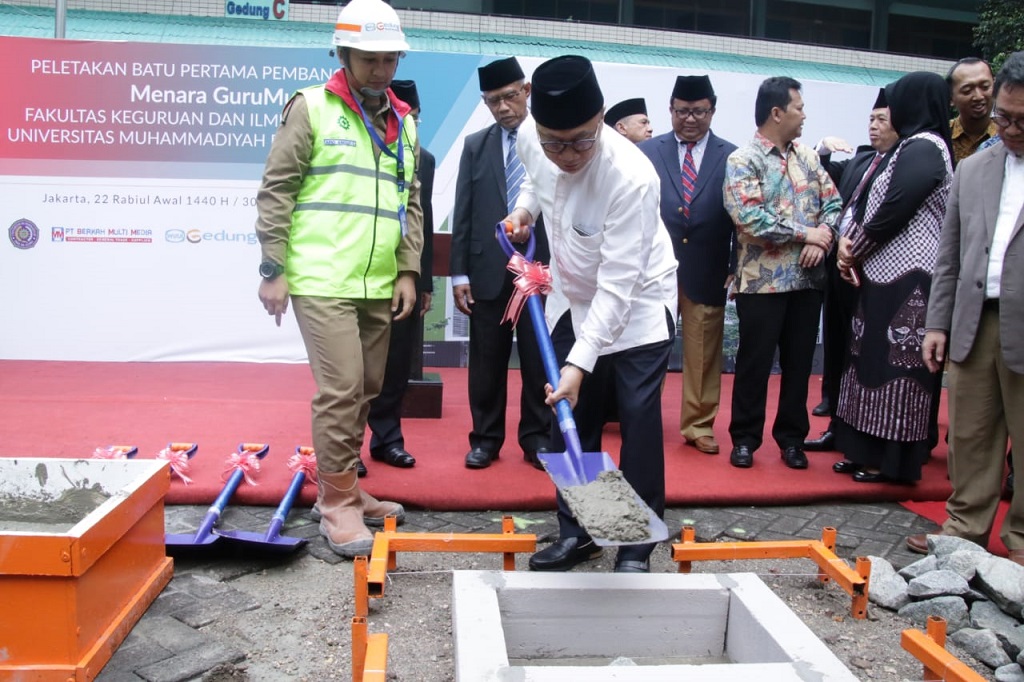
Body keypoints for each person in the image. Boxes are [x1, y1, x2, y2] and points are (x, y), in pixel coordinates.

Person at [254, 0, 418, 559]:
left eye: (388, 59)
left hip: (376, 282)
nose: (380, 69)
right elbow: (277, 190)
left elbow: (409, 204)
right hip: (321, 277)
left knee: (368, 391)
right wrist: (273, 269)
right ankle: (337, 508)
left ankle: (345, 484)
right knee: (342, 389)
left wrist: (407, 269)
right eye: (368, 59)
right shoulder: (313, 108)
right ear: (343, 55)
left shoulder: (404, 121)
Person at [506, 55, 678, 574]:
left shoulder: (631, 177)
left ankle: (634, 546)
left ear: (601, 117)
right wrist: (523, 212)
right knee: (569, 418)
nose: (567, 155)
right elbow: (537, 182)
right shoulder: (534, 142)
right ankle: (581, 531)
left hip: (638, 306)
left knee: (637, 424)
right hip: (572, 298)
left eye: (581, 140)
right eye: (554, 141)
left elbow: (618, 287)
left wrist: (581, 364)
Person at [907, 52, 1024, 566]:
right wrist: (937, 323)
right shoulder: (975, 167)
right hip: (976, 320)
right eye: (1004, 117)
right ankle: (963, 530)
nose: (1010, 128)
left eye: (1022, 120)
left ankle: (1020, 539)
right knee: (971, 433)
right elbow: (949, 255)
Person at [830, 72, 953, 484]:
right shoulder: (909, 147)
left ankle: (891, 460)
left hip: (911, 280)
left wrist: (854, 247)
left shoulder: (926, 148)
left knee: (897, 368)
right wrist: (851, 249)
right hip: (882, 275)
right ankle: (862, 448)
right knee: (868, 363)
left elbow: (893, 209)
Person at [723, 76, 841, 471]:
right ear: (777, 112)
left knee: (799, 364)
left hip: (807, 282)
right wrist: (804, 232)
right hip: (761, 283)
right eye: (799, 107)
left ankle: (792, 440)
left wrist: (821, 237)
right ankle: (744, 439)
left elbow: (834, 204)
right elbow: (748, 218)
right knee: (754, 363)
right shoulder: (743, 160)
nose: (804, 114)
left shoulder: (809, 158)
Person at [449, 56, 552, 471]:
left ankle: (537, 438)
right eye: (493, 101)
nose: (503, 107)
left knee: (537, 359)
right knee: (486, 363)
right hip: (488, 271)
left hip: (539, 271)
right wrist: (459, 273)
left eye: (510, 96)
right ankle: (485, 440)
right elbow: (464, 212)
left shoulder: (551, 140)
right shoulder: (477, 145)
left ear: (526, 91)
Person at [638, 75, 737, 456]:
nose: (690, 119)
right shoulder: (648, 150)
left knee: (703, 351)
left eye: (698, 111)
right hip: (654, 269)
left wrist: (734, 263)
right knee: (649, 347)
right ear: (670, 110)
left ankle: (698, 425)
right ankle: (644, 419)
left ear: (712, 110)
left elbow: (739, 217)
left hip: (707, 267)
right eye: (682, 111)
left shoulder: (732, 155)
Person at [805, 90, 900, 453]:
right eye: (871, 119)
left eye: (882, 120)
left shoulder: (901, 164)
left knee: (860, 348)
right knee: (835, 336)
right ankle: (832, 398)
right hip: (838, 266)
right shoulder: (862, 160)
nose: (874, 127)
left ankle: (853, 419)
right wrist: (824, 148)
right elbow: (824, 177)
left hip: (871, 270)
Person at [364, 79, 435, 472]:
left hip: (402, 277)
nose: (409, 124)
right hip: (359, 273)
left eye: (414, 118)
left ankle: (388, 438)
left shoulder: (425, 158)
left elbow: (418, 222)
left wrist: (421, 282)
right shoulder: (364, 155)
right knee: (355, 369)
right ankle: (347, 445)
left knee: (395, 366)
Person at [947, 57, 997, 165]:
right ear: (951, 98)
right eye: (967, 90)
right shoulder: (942, 135)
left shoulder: (1008, 136)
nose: (978, 96)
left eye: (985, 87)